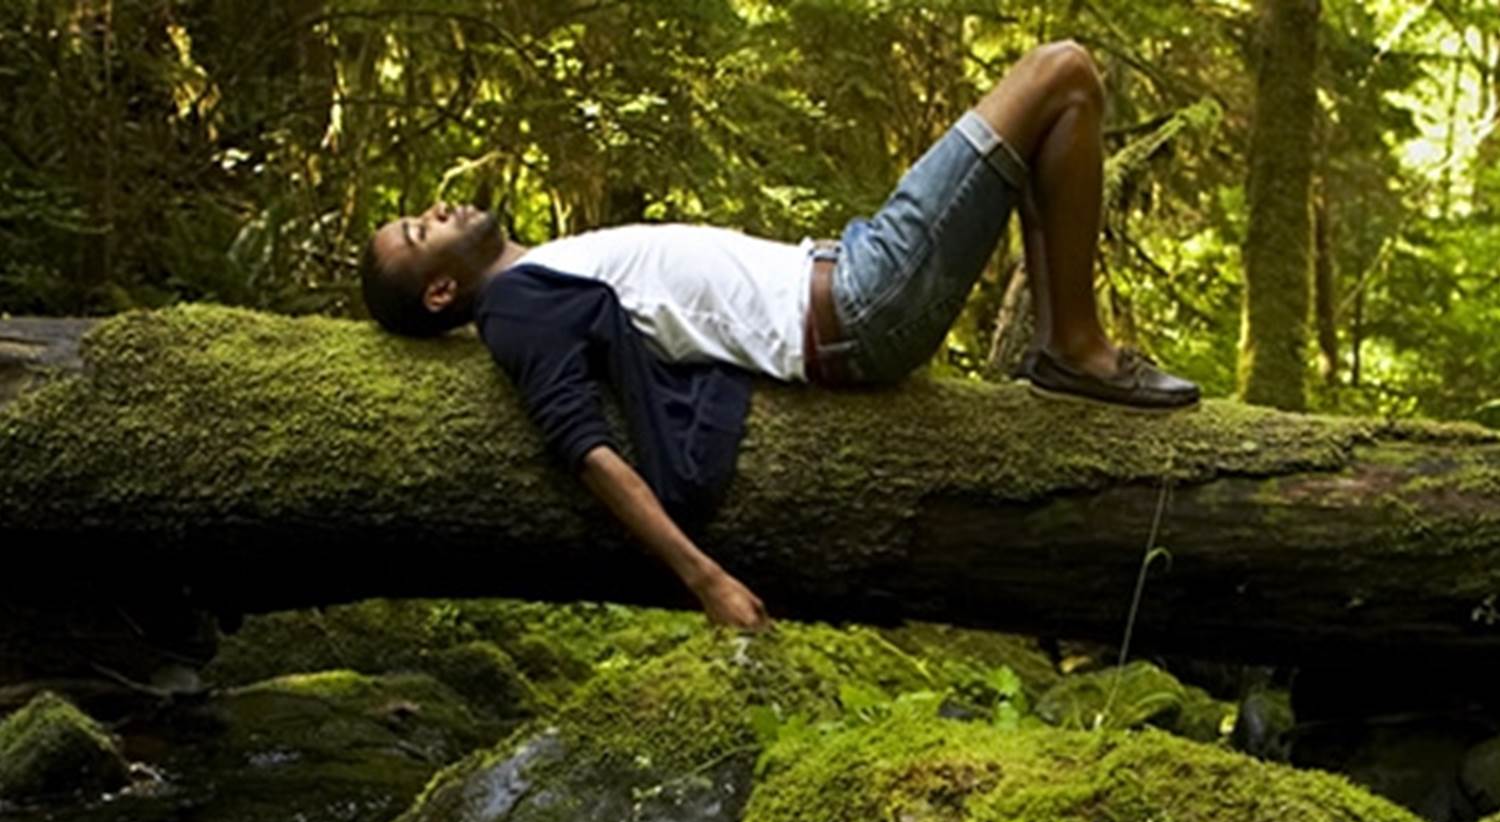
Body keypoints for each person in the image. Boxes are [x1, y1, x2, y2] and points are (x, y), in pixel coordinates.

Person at [360, 41, 1199, 631]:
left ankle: (1067, 344)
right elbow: (587, 452)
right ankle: (1078, 352)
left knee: (1056, 113)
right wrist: (707, 580)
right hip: (861, 306)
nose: (436, 209)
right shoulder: (516, 310)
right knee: (1063, 70)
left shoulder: (539, 271)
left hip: (854, 271)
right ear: (441, 288)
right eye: (417, 229)